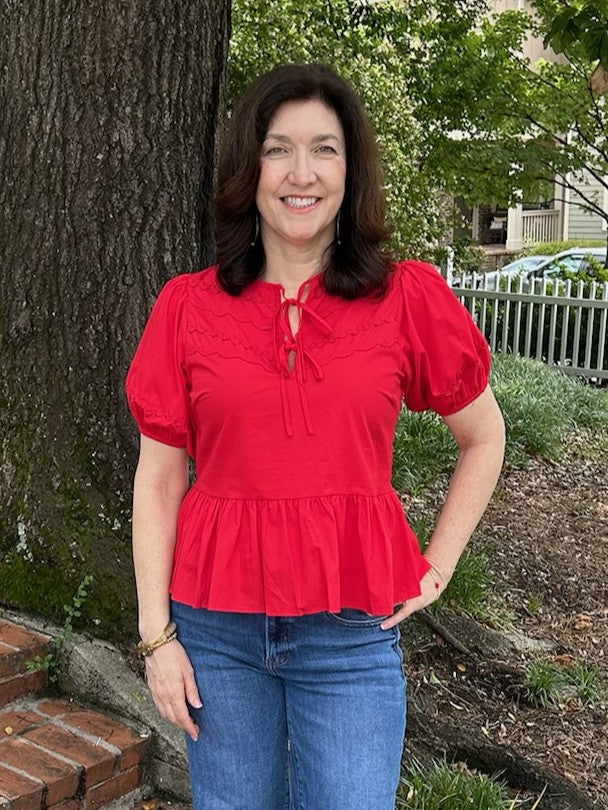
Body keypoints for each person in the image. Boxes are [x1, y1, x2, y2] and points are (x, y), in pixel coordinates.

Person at [125, 63, 505, 810]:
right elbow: (160, 478)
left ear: (350, 169)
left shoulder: (408, 298)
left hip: (350, 636)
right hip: (217, 632)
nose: (302, 173)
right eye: (278, 148)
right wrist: (157, 640)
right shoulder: (186, 308)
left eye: (324, 149)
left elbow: (483, 436)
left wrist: (439, 563)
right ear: (250, 168)